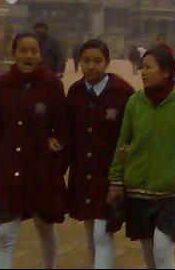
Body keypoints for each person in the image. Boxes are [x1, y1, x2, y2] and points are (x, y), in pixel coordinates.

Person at [107, 45, 175, 270]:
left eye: (148, 67)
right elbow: (123, 142)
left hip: (171, 190)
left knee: (162, 249)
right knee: (148, 248)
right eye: (142, 67)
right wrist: (116, 180)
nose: (142, 72)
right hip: (138, 189)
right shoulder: (135, 102)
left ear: (166, 72)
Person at [0, 32, 67, 269]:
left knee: (45, 227)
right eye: (23, 50)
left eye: (34, 51)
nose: (28, 56)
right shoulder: (3, 84)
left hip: (41, 168)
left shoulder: (52, 85)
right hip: (9, 167)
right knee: (6, 234)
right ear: (14, 53)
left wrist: (57, 145)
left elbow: (63, 125)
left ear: (40, 55)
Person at [65, 39, 136, 269]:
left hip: (109, 174)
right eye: (86, 60)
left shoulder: (122, 92)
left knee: (102, 231)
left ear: (107, 62)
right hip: (82, 171)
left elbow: (133, 132)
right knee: (90, 227)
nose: (91, 66)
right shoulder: (75, 92)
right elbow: (67, 129)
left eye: (97, 60)